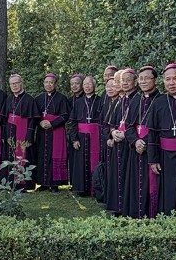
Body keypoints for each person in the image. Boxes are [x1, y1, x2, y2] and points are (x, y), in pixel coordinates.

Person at [147, 63, 176, 214]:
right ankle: (168, 216)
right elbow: (152, 133)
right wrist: (152, 159)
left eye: (175, 78)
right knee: (168, 187)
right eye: (168, 79)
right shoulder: (158, 103)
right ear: (163, 81)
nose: (171, 82)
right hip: (165, 156)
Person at [121, 65, 160, 218]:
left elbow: (159, 128)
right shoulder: (135, 100)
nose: (143, 81)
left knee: (151, 184)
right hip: (136, 148)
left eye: (147, 78)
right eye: (141, 79)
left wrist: (144, 142)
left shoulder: (161, 100)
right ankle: (135, 212)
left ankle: (151, 213)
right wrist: (135, 141)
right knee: (135, 182)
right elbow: (129, 126)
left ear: (155, 80)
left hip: (152, 148)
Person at [103, 69, 134, 214]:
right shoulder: (119, 102)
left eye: (127, 80)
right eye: (122, 81)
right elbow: (111, 124)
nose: (124, 83)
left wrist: (125, 134)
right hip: (118, 143)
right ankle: (118, 206)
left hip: (129, 144)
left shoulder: (137, 100)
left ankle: (126, 206)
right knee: (117, 174)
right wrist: (113, 132)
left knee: (127, 176)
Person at [33, 73, 70, 191]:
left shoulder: (62, 98)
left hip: (56, 131)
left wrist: (52, 123)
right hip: (42, 132)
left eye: (51, 82)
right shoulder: (38, 98)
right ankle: (43, 183)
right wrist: (40, 122)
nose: (48, 85)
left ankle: (54, 184)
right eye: (46, 82)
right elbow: (35, 115)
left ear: (55, 84)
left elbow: (65, 115)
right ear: (43, 84)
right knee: (42, 155)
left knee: (55, 156)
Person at [68, 75, 102, 197]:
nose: (87, 87)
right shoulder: (78, 102)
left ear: (94, 86)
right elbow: (72, 123)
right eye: (85, 84)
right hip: (81, 137)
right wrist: (74, 139)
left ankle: (95, 189)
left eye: (89, 84)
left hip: (95, 137)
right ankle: (82, 189)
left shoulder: (100, 100)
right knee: (81, 163)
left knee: (95, 161)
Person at [3, 74, 38, 188]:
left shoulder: (29, 99)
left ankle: (22, 183)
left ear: (21, 83)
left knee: (23, 155)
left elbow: (33, 119)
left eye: (16, 83)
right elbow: (5, 116)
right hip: (10, 131)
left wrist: (30, 134)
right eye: (12, 84)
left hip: (23, 131)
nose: (14, 85)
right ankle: (11, 181)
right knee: (10, 155)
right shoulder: (9, 98)